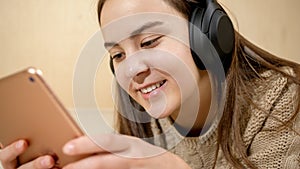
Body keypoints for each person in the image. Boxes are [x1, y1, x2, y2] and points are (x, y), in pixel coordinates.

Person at [1, 0, 300, 168]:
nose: (132, 69)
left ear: (206, 34)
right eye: (117, 55)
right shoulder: (145, 126)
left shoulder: (286, 99)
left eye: (149, 41)